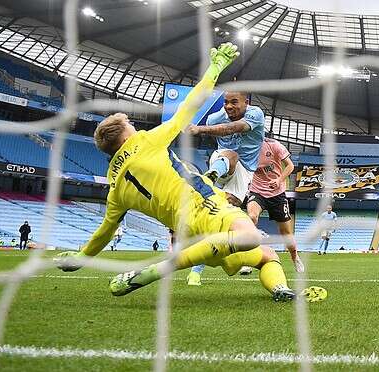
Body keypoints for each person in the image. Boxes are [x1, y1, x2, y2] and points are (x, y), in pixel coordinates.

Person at [54, 43, 325, 303]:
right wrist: (215, 68)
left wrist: (81, 257)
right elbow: (191, 104)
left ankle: (280, 289)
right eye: (130, 127)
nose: (136, 128)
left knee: (266, 256)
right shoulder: (146, 141)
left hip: (188, 238)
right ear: (125, 138)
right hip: (204, 205)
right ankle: (157, 270)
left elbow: (103, 233)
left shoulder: (115, 191)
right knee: (251, 236)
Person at [186, 82, 265, 281]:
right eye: (226, 102)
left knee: (219, 219)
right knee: (230, 155)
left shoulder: (255, 114)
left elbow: (234, 128)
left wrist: (199, 129)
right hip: (222, 162)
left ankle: (197, 271)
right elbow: (224, 132)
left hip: (245, 172)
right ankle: (210, 177)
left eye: (234, 102)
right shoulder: (215, 117)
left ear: (245, 102)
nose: (229, 106)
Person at [246, 137, 304, 272]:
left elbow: (290, 166)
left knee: (286, 233)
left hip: (277, 194)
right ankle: (249, 258)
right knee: (251, 217)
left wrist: (279, 179)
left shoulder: (274, 145)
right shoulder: (245, 148)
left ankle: (295, 257)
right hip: (257, 191)